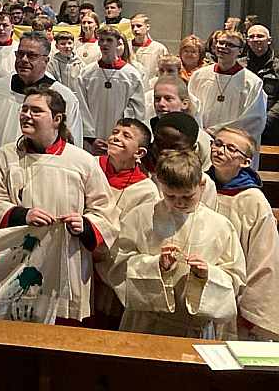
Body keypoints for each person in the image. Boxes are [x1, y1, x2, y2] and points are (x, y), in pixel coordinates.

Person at [0, 87, 117, 324]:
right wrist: (23, 215)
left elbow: (104, 212)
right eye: (24, 109)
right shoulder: (5, 157)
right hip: (18, 260)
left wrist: (84, 224)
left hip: (67, 260)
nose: (26, 115)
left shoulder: (81, 160)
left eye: (36, 110)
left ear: (57, 119)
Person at [107, 149, 245, 339]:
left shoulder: (220, 226)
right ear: (160, 185)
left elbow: (235, 277)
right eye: (170, 196)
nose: (179, 203)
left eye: (187, 196)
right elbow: (117, 267)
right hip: (145, 324)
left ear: (202, 185)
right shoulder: (141, 217)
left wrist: (207, 274)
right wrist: (156, 266)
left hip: (192, 330)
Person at [205, 127, 279, 340]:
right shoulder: (199, 185)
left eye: (230, 148)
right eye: (217, 144)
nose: (220, 150)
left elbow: (265, 260)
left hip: (234, 295)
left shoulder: (253, 201)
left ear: (245, 162)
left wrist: (250, 310)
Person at [90, 118, 158, 329]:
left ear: (140, 153)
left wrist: (100, 250)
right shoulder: (89, 165)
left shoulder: (146, 191)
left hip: (108, 265)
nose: (116, 137)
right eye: (115, 131)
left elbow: (135, 237)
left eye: (126, 136)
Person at [0, 32, 90, 153]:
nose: (23, 59)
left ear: (46, 60)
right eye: (20, 54)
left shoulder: (64, 97)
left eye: (31, 55)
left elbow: (71, 148)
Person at [188, 30, 266, 166]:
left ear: (240, 51)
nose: (223, 47)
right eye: (220, 43)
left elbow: (254, 119)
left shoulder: (252, 82)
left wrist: (216, 133)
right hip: (202, 141)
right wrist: (202, 134)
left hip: (234, 148)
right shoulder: (199, 76)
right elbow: (191, 108)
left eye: (229, 45)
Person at [77, 27, 145, 154]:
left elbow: (136, 109)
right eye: (101, 40)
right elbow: (81, 106)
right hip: (92, 139)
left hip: (120, 139)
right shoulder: (87, 73)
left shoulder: (131, 75)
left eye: (109, 40)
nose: (104, 44)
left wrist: (121, 136)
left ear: (118, 43)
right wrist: (91, 138)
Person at [151, 76, 212, 170]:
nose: (161, 104)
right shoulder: (149, 129)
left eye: (168, 99)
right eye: (157, 99)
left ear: (184, 103)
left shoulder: (200, 139)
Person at [243, 25, 279, 145]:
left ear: (269, 40)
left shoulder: (277, 67)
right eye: (251, 37)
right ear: (247, 41)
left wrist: (266, 120)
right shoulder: (239, 65)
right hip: (242, 127)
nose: (256, 39)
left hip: (271, 129)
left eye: (260, 36)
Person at [129, 14, 168, 83]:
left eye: (139, 26)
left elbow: (165, 71)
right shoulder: (127, 46)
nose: (135, 29)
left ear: (147, 27)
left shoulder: (159, 48)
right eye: (132, 27)